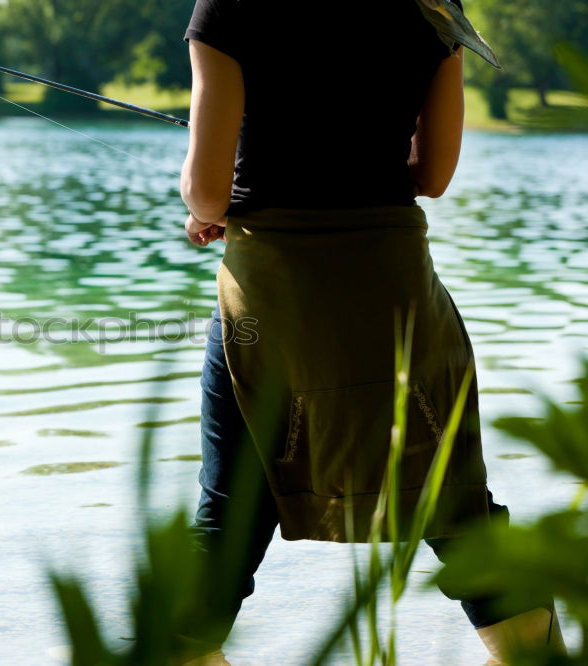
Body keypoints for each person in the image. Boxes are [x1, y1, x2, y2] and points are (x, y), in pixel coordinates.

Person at [176, 1, 567, 664]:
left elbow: (208, 194)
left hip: (274, 298)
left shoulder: (230, 7)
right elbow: (434, 175)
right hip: (395, 294)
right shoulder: (433, 6)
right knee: (459, 511)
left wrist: (206, 201)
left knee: (227, 520)